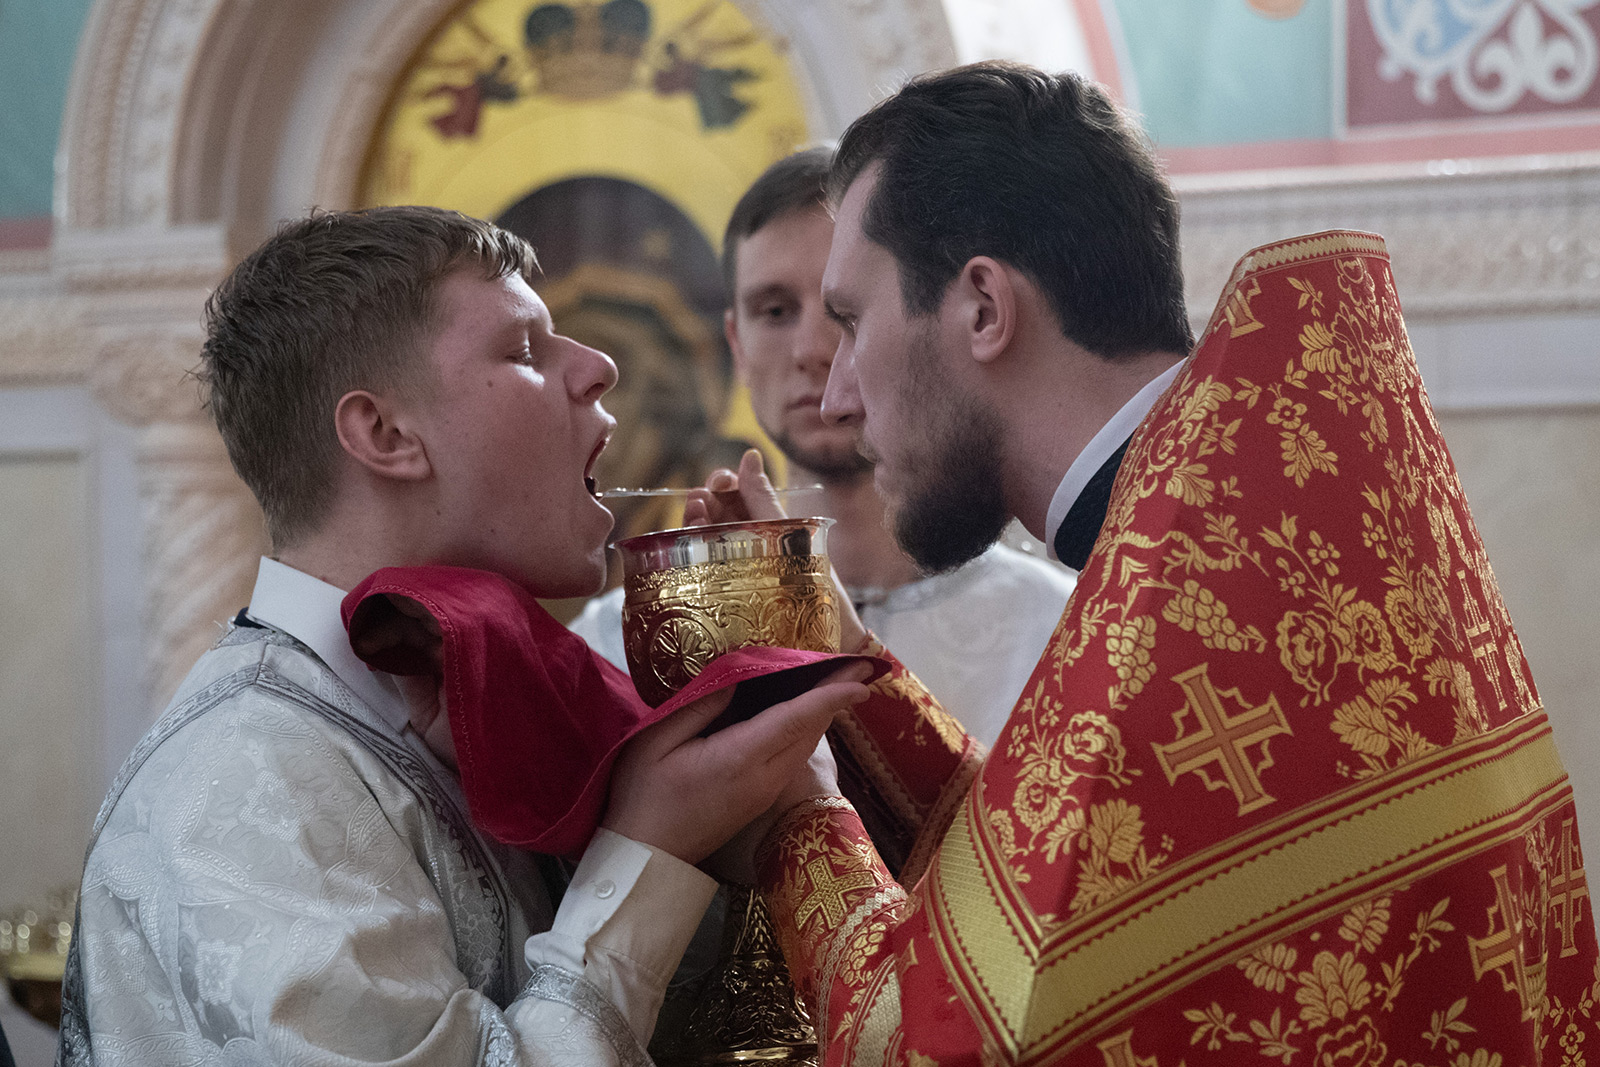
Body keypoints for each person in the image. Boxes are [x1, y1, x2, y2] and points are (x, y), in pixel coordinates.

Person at [685, 63, 1598, 1063]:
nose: (839, 395)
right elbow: (1083, 870)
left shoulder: (1194, 600)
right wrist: (840, 660)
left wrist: (800, 808)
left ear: (983, 306)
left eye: (854, 320)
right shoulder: (1260, 520)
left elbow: (943, 1042)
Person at [59, 206, 871, 1067]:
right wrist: (648, 848)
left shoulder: (473, 705)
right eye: (523, 349)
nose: (599, 366)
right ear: (386, 435)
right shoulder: (244, 782)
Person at [571, 147, 1076, 747]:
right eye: (775, 311)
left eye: (847, 309)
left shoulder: (1060, 633)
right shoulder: (619, 647)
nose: (814, 350)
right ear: (737, 344)